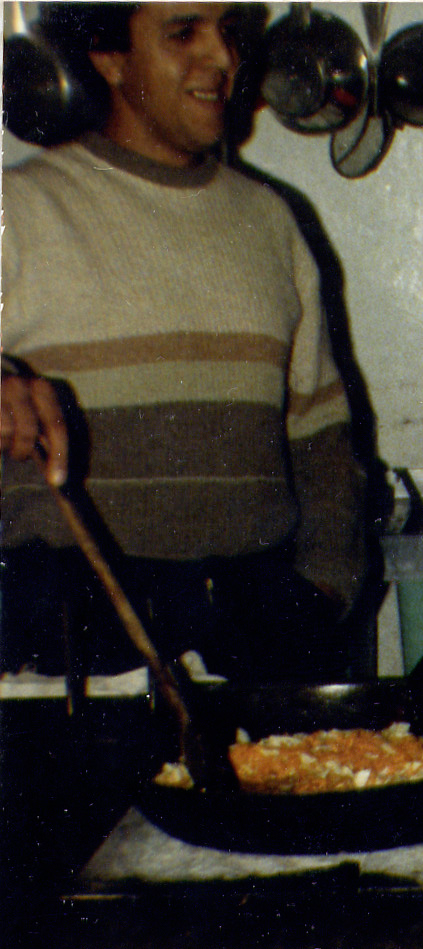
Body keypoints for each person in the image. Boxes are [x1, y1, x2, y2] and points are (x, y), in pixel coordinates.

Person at [1, 3, 369, 682]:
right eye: (182, 33)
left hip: (253, 643)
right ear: (111, 58)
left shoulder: (270, 221)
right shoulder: (17, 209)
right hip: (72, 654)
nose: (223, 58)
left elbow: (323, 442)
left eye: (228, 31)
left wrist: (323, 591)